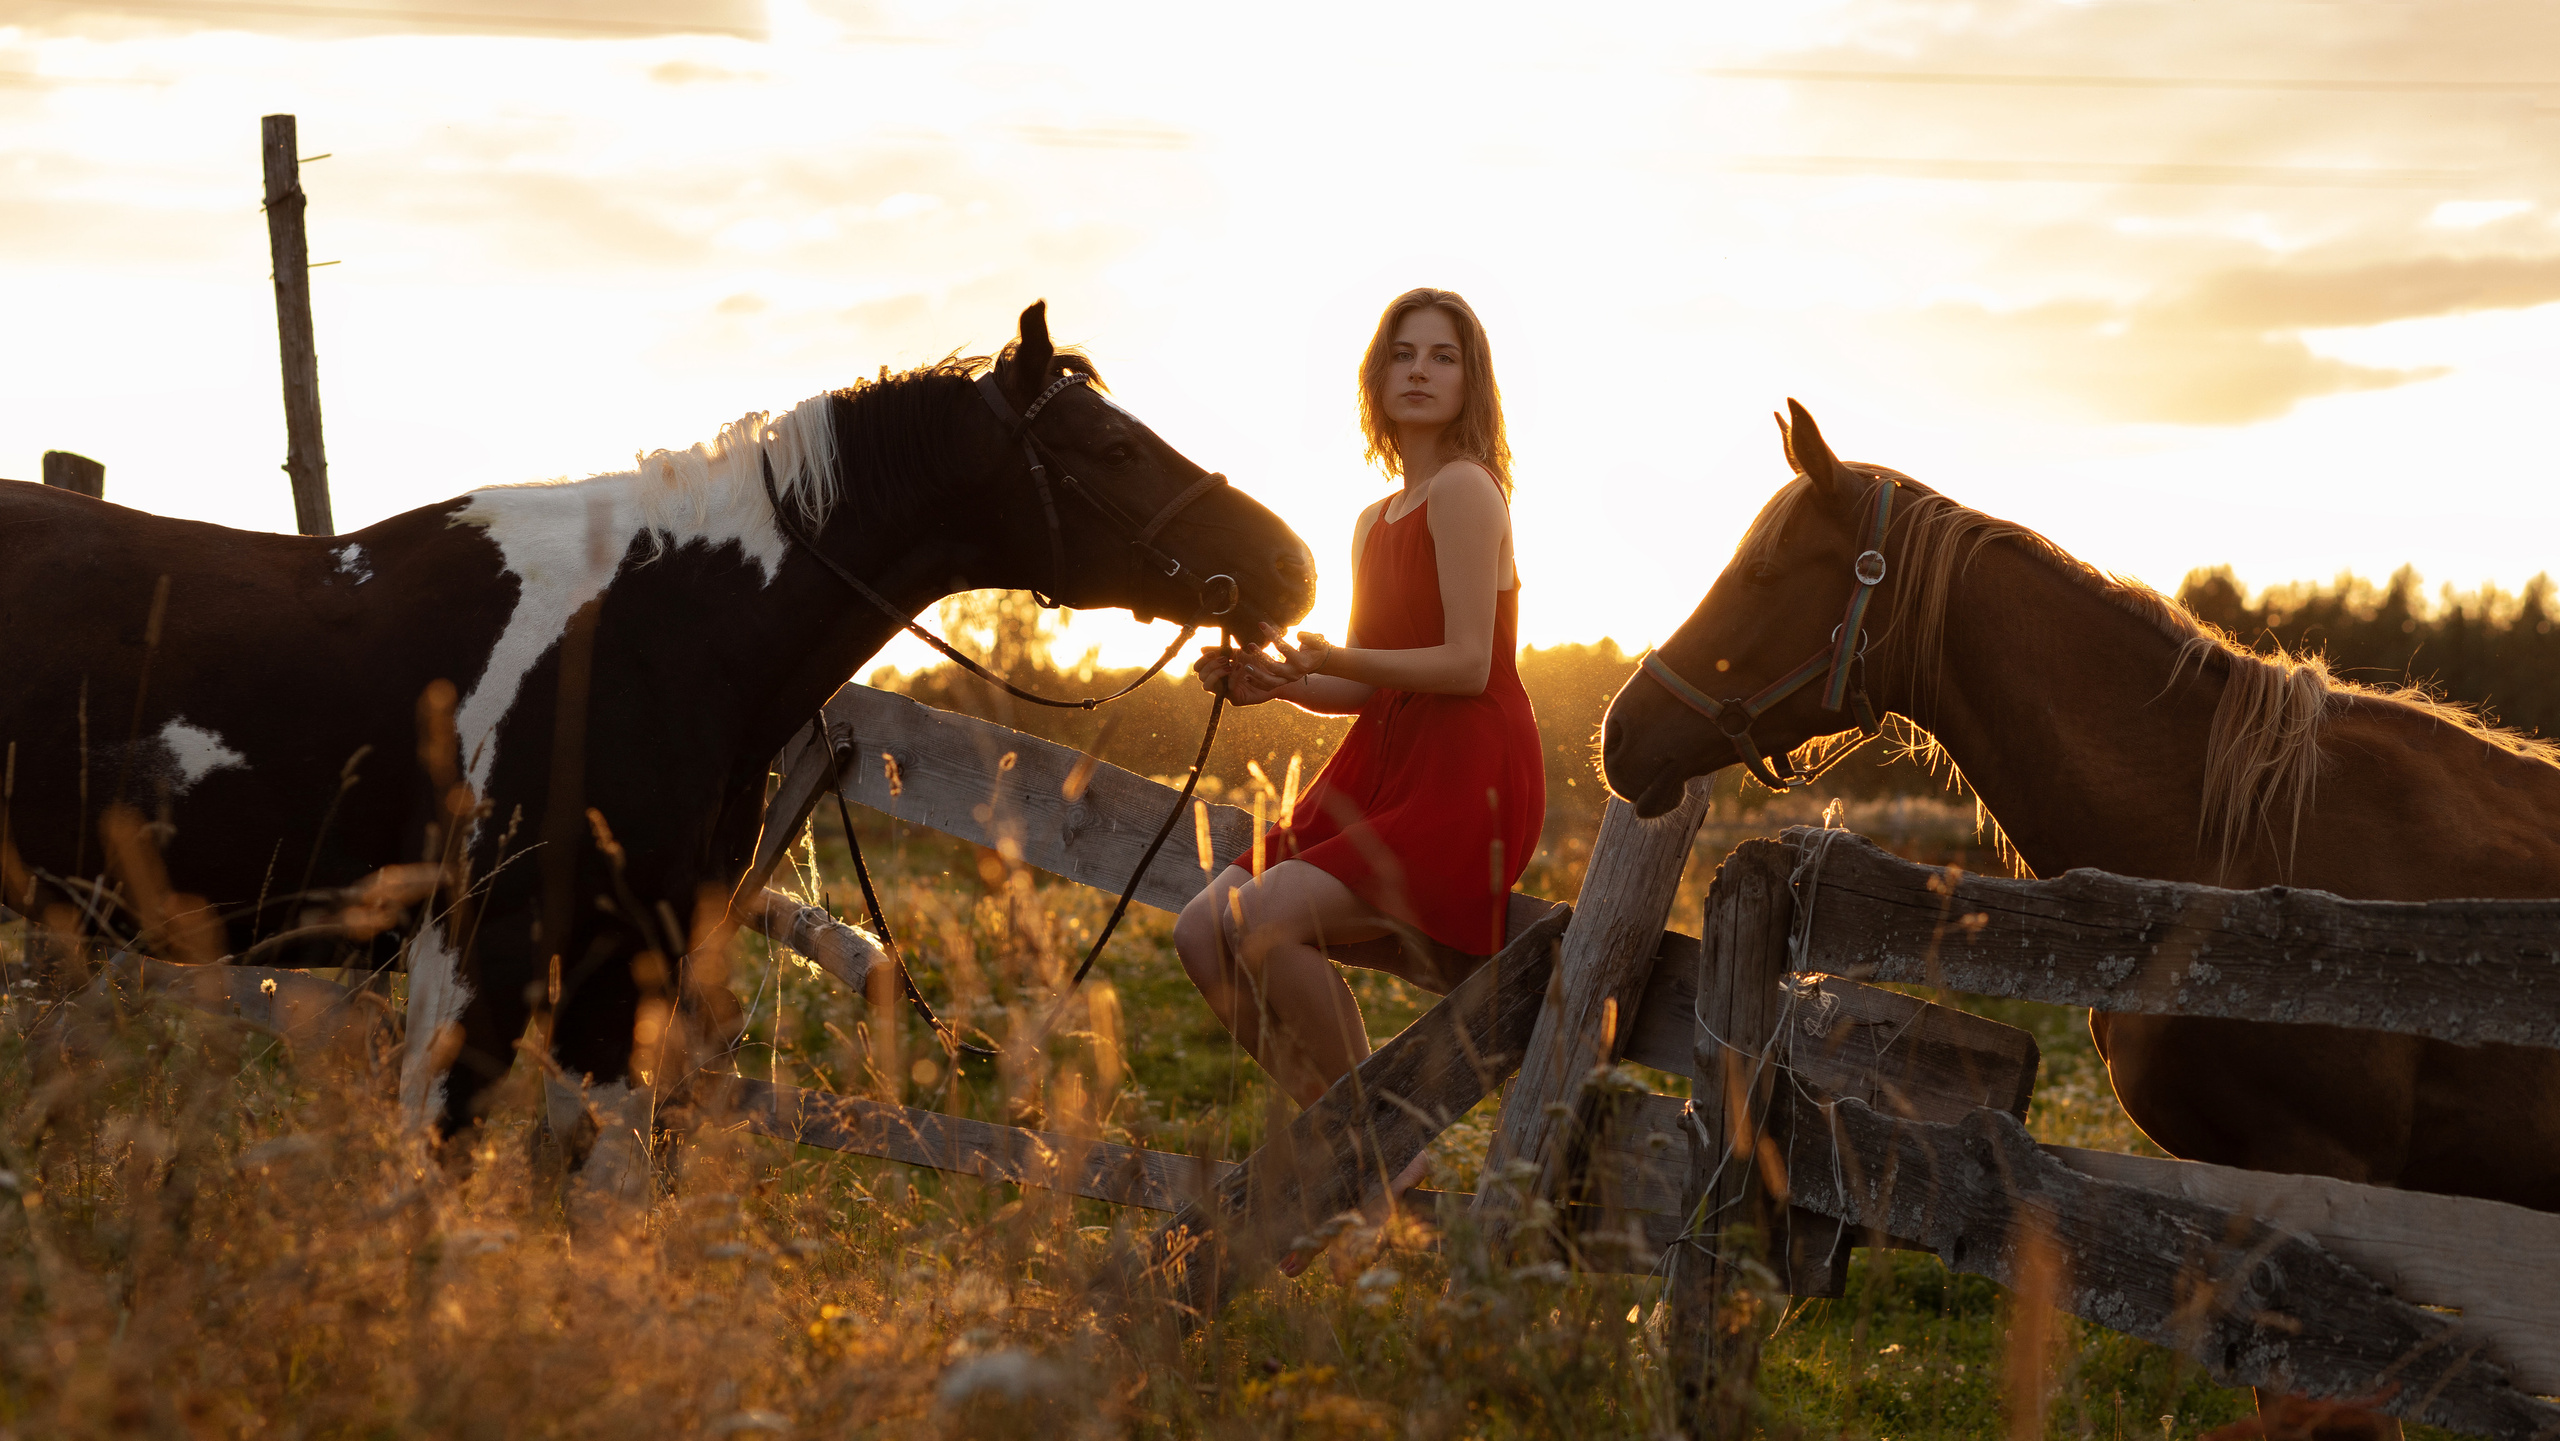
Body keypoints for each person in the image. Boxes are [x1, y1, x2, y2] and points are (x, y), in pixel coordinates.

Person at [1175, 287, 1546, 1130]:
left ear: (1470, 382)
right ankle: (1347, 1137)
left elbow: (1464, 664)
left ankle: (1378, 1148)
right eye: (1403, 354)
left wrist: (1337, 656)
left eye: (1442, 356)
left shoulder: (1465, 490)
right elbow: (1360, 687)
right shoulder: (1373, 520)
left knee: (1263, 920)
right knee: (1201, 935)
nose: (1419, 371)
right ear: (1376, 376)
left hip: (1466, 776)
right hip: (1386, 768)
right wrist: (1268, 679)